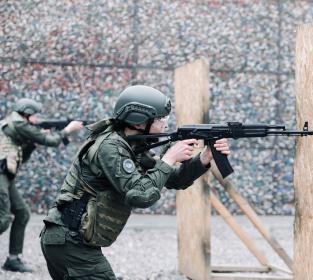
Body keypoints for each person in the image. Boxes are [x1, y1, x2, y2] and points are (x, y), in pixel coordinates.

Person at [40, 85, 230, 279]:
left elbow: (173, 179)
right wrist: (169, 158)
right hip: (70, 242)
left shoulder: (131, 145)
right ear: (139, 121)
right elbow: (141, 195)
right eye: (160, 119)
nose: (165, 123)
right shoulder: (111, 146)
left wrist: (204, 158)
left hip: (69, 240)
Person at [0, 98, 83, 273]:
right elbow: (52, 141)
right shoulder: (19, 124)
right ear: (26, 114)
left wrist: (34, 141)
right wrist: (68, 130)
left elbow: (22, 156)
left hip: (5, 175)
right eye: (35, 116)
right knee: (3, 218)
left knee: (22, 213)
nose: (38, 120)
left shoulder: (16, 126)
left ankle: (13, 259)